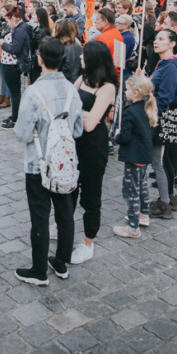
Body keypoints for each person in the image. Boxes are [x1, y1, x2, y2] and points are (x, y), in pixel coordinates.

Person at [13, 37, 83, 286]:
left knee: (40, 216)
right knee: (65, 213)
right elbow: (78, 130)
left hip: (38, 163)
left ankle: (39, 269)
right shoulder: (71, 90)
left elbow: (21, 133)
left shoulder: (33, 93)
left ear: (40, 59)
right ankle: (61, 262)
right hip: (65, 162)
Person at [69, 41, 117, 264]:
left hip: (93, 145)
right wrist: (82, 113)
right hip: (73, 142)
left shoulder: (107, 87)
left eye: (84, 55)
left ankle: (88, 242)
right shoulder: (83, 78)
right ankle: (64, 224)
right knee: (68, 188)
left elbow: (90, 124)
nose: (80, 58)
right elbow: (69, 100)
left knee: (90, 195)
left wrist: (76, 112)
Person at [147, 29, 177, 220]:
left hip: (163, 119)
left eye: (161, 39)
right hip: (163, 118)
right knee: (164, 161)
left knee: (161, 162)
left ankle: (166, 201)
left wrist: (151, 115)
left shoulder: (171, 66)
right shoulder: (165, 63)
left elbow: (165, 97)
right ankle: (168, 197)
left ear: (172, 43)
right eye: (156, 38)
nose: (156, 42)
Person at [113, 74, 157, 238]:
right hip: (144, 156)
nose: (125, 92)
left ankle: (133, 227)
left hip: (133, 156)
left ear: (136, 93)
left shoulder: (130, 112)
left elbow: (124, 137)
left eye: (127, 89)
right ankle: (143, 214)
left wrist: (117, 135)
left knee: (131, 190)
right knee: (143, 184)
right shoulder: (147, 106)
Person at [0, 7, 31, 129]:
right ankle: (14, 116)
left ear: (16, 19)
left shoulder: (20, 30)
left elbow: (15, 49)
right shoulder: (18, 29)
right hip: (10, 64)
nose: (7, 23)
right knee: (14, 93)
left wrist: (3, 44)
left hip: (13, 65)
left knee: (15, 93)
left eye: (9, 20)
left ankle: (15, 119)